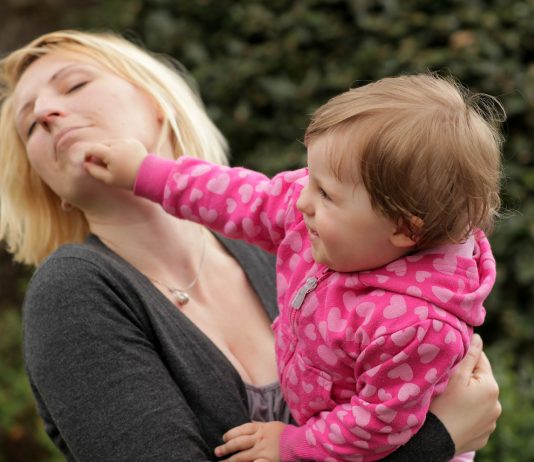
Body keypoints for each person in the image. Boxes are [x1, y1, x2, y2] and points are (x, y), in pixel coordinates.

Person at [0, 30, 500, 462]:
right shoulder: (74, 291)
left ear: (157, 100)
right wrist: (441, 435)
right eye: (28, 124)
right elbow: (243, 197)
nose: (46, 112)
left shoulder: (296, 252)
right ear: (43, 180)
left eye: (75, 84)